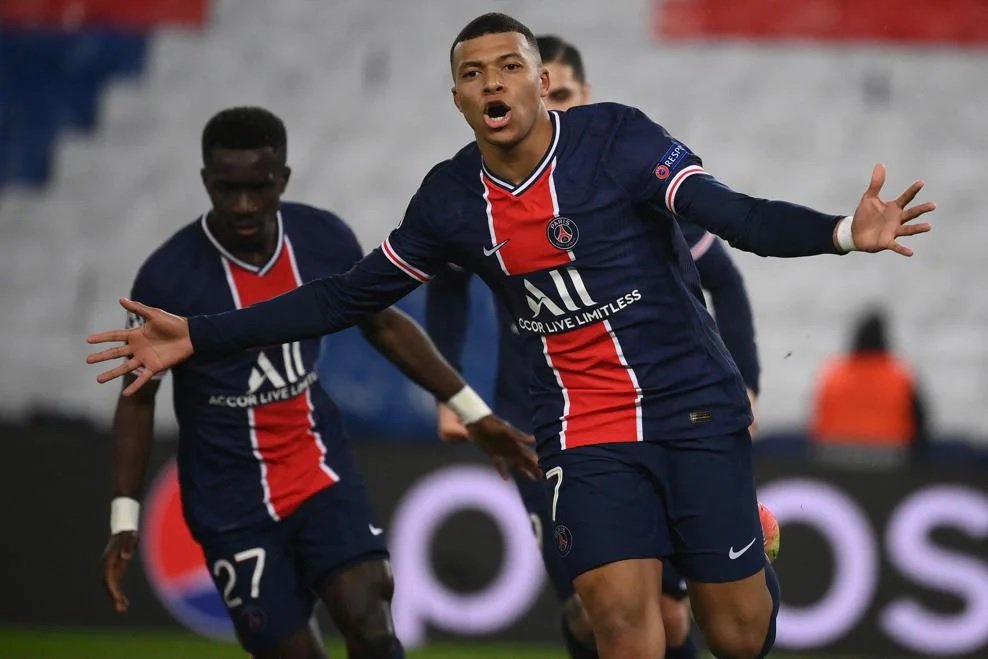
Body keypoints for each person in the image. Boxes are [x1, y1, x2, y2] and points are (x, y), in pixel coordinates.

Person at [87, 14, 934, 659]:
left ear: (541, 81)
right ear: (458, 99)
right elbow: (348, 296)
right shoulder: (450, 201)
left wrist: (841, 232)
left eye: (509, 66)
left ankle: (752, 550)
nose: (492, 83)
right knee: (622, 626)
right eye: (472, 73)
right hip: (582, 427)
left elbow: (736, 216)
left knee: (738, 634)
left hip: (692, 405)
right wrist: (200, 334)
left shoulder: (619, 141)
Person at [99, 106, 537, 659]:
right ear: (206, 181)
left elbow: (384, 325)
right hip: (230, 503)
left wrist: (472, 411)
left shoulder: (321, 239)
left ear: (282, 178)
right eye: (228, 189)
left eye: (259, 187)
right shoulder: (167, 277)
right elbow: (138, 398)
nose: (244, 205)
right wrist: (124, 515)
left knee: (371, 621)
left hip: (317, 471)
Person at [425, 34, 761, 659]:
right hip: (537, 424)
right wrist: (455, 393)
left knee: (673, 616)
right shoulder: (476, 202)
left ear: (577, 94)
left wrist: (746, 383)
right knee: (592, 612)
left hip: (655, 414)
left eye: (564, 96)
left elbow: (725, 280)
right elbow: (443, 283)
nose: (549, 110)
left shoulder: (631, 181)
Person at [809, 307, 929, 464]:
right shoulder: (899, 375)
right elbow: (920, 425)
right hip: (888, 458)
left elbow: (816, 419)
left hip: (834, 456)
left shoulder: (832, 373)